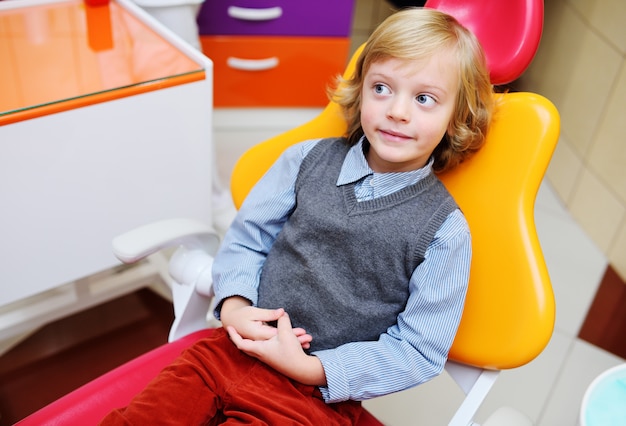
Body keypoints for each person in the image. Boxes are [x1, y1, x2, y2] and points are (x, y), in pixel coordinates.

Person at [100, 7, 493, 425]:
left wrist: (314, 370)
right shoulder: (305, 161)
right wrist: (233, 304)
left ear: (457, 119)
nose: (397, 111)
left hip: (312, 399)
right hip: (229, 351)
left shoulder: (444, 232)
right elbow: (248, 238)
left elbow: (418, 350)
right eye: (382, 88)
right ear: (360, 91)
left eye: (424, 99)